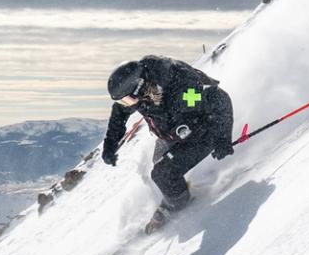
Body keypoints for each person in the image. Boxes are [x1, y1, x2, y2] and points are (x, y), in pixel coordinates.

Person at [101, 56, 235, 223]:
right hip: (174, 133)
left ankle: (180, 206)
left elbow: (218, 98)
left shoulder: (183, 91)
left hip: (203, 132)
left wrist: (223, 137)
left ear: (140, 88)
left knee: (162, 174)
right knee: (158, 164)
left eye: (128, 99)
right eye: (124, 100)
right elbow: (118, 114)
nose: (128, 104)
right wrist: (110, 146)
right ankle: (175, 193)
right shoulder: (145, 94)